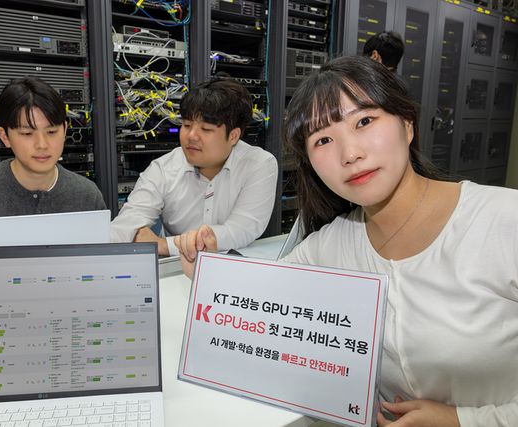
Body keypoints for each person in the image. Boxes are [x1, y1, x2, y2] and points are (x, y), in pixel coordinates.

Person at [176, 56, 518, 427]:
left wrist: (464, 420)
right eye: (323, 139)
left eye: (364, 121)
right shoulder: (332, 243)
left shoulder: (504, 220)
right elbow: (261, 297)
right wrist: (207, 267)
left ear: (407, 124)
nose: (350, 154)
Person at [110, 76, 278, 256]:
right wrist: (131, 232)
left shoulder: (259, 164)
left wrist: (164, 245)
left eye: (206, 129)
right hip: (177, 267)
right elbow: (126, 225)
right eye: (186, 125)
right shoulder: (163, 169)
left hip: (234, 263)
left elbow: (242, 229)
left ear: (233, 136)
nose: (191, 136)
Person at [0, 77, 105, 219]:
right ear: (5, 137)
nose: (42, 144)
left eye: (51, 132)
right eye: (27, 133)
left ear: (64, 131)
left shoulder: (88, 196)